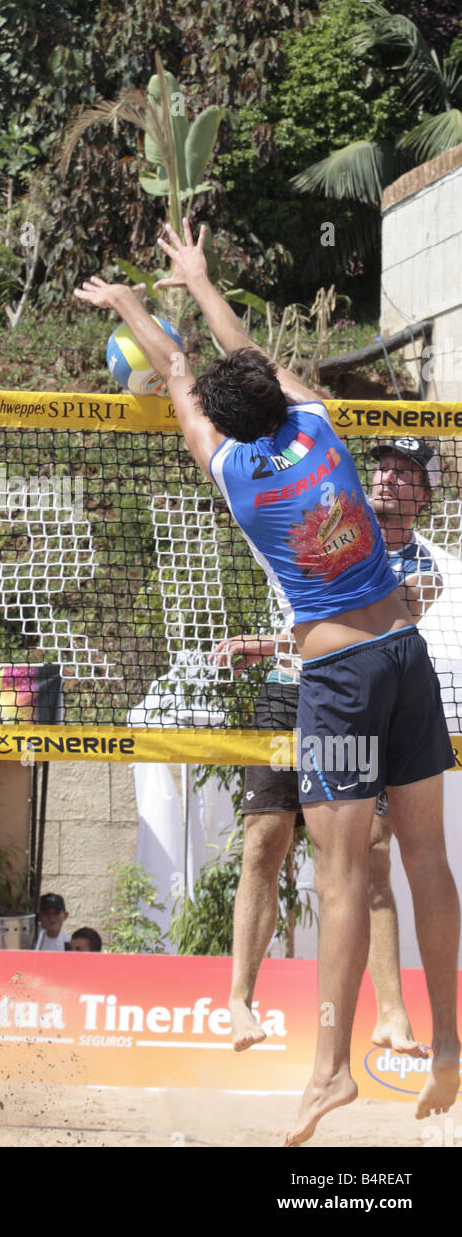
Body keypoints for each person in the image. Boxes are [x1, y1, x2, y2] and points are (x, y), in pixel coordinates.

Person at [75, 220, 459, 1146]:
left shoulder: (239, 473)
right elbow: (248, 352)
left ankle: (329, 1072)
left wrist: (129, 304)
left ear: (227, 419)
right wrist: (199, 280)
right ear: (282, 400)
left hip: (336, 675)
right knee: (421, 862)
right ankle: (448, 1042)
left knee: (335, 878)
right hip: (407, 657)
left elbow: (177, 374)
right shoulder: (321, 427)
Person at [215, 437, 443, 1057]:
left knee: (369, 854)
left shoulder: (423, 569)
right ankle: (239, 999)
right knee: (265, 838)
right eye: (384, 467)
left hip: (349, 701)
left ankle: (391, 1013)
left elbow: (351, 638)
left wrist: (258, 644)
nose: (390, 478)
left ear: (424, 497)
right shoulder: (329, 509)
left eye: (406, 473)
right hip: (289, 696)